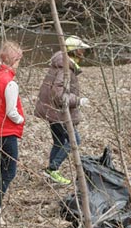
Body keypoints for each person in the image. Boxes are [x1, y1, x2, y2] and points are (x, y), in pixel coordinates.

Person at [34, 35, 91, 185]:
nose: (83, 54)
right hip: (58, 113)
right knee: (74, 140)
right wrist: (78, 101)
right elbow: (58, 94)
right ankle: (53, 169)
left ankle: (52, 173)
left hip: (52, 111)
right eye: (81, 51)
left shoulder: (61, 64)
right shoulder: (65, 69)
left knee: (59, 141)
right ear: (75, 51)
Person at [0, 41, 24, 225]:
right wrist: (21, 120)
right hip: (6, 132)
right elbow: (11, 111)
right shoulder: (9, 83)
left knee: (1, 168)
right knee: (9, 172)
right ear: (14, 60)